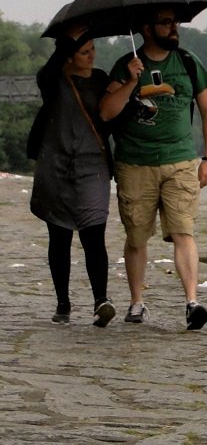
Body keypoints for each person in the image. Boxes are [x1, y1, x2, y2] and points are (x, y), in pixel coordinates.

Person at [99, 7, 207, 331]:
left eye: (175, 22)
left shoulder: (189, 62)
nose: (174, 28)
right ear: (147, 29)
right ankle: (137, 303)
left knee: (184, 231)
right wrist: (131, 80)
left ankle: (192, 302)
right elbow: (107, 113)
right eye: (166, 23)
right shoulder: (125, 65)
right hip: (134, 163)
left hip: (180, 161)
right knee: (136, 236)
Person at [28, 24, 137, 327]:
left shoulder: (101, 79)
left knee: (94, 233)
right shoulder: (53, 80)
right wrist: (67, 43)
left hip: (93, 165)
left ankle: (101, 299)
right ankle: (63, 302)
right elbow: (46, 76)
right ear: (69, 55)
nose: (91, 56)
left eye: (93, 50)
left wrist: (132, 87)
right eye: (84, 51)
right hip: (56, 165)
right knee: (59, 236)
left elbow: (111, 115)